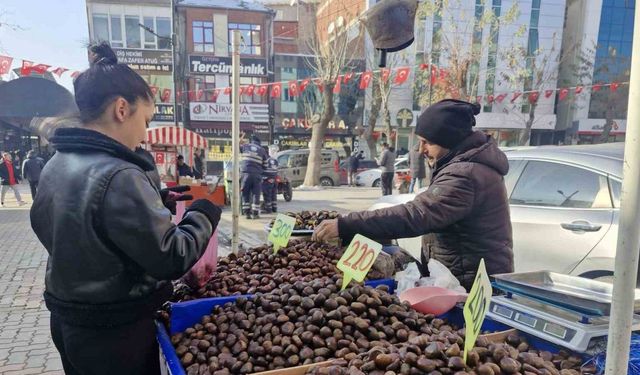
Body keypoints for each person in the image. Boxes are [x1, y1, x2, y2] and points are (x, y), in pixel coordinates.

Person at [30, 42, 222, 375]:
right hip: (115, 332)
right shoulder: (119, 173)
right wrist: (205, 212)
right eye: (145, 120)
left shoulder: (57, 163)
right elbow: (171, 256)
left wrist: (152, 208)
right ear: (122, 109)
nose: (144, 134)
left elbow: (71, 226)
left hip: (68, 323)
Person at [312, 99, 513, 291]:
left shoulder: (465, 175)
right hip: (458, 278)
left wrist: (347, 224)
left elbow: (416, 214)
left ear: (448, 141)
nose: (420, 149)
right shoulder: (462, 166)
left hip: (470, 285)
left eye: (426, 142)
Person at [240, 135, 268, 219]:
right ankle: (255, 214)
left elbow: (236, 147)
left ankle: (247, 214)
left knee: (245, 193)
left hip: (245, 174)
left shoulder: (246, 146)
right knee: (256, 194)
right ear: (259, 142)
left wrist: (240, 139)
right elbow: (266, 165)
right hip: (257, 175)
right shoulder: (262, 150)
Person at [261, 146, 279, 214]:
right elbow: (276, 170)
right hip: (274, 179)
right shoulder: (275, 160)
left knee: (267, 194)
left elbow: (263, 169)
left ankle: (268, 209)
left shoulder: (266, 160)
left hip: (267, 179)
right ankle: (274, 208)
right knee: (273, 194)